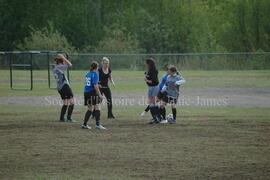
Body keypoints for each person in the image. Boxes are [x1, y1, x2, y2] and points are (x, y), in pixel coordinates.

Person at [82, 61, 106, 130]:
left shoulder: (87, 73)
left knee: (90, 109)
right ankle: (98, 125)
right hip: (92, 92)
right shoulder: (95, 74)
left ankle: (84, 124)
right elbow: (95, 86)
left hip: (86, 92)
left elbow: (89, 83)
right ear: (96, 67)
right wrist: (100, 95)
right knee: (97, 107)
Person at [53, 53, 75, 122]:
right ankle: (69, 118)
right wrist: (63, 57)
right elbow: (70, 64)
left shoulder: (55, 68)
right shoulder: (59, 67)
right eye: (63, 61)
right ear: (61, 62)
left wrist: (63, 58)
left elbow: (65, 64)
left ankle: (62, 118)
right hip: (64, 86)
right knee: (72, 102)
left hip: (59, 88)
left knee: (65, 103)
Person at [144, 58, 160, 124]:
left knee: (152, 103)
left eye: (146, 63)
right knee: (151, 103)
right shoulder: (149, 70)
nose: (145, 64)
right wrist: (146, 74)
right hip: (150, 87)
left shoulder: (153, 71)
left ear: (149, 63)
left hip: (154, 87)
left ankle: (155, 118)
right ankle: (156, 117)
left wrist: (146, 80)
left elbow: (154, 81)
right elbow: (148, 75)